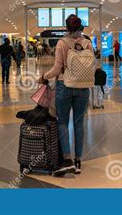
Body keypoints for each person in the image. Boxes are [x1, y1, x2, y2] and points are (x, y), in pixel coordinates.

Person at [39, 14, 94, 177]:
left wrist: (44, 76)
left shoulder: (62, 43)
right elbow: (93, 65)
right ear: (80, 27)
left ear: (67, 28)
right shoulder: (88, 43)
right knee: (79, 123)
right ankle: (78, 162)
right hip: (83, 87)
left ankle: (67, 160)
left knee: (62, 122)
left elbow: (57, 69)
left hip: (65, 85)